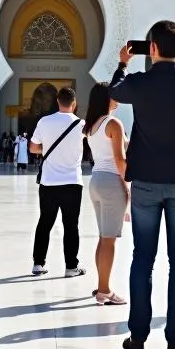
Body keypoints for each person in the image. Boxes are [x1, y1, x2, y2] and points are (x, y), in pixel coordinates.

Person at [110, 21, 175, 349]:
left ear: (150, 49)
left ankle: (137, 336)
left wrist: (123, 62)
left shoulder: (139, 83)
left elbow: (114, 90)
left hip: (147, 182)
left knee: (142, 259)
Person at [30, 86, 85, 278]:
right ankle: (71, 267)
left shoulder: (44, 121)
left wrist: (47, 150)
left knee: (45, 222)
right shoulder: (81, 124)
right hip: (72, 183)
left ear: (57, 102)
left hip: (49, 182)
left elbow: (33, 148)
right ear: (74, 103)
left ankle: (38, 263)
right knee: (71, 225)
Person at [82, 82, 129, 304]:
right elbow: (120, 160)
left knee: (103, 238)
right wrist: (128, 185)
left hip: (96, 180)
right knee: (109, 240)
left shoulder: (92, 126)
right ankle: (104, 291)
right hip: (111, 182)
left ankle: (101, 285)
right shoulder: (113, 123)